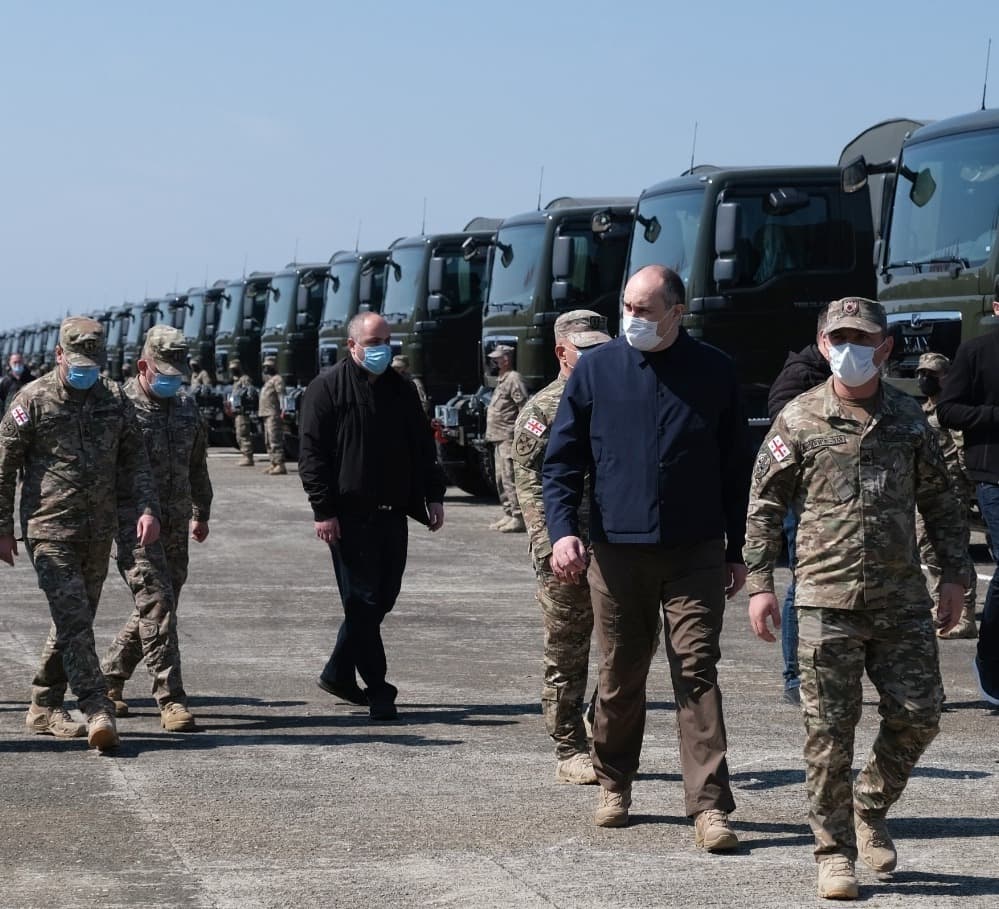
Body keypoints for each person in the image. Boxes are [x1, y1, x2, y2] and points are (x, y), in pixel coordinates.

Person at [744, 297, 969, 900]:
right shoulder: (798, 418)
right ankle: (834, 852)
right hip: (825, 599)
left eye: (864, 339)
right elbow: (764, 507)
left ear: (886, 347)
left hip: (900, 599)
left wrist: (953, 576)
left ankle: (869, 804)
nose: (852, 349)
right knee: (828, 733)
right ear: (822, 346)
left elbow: (942, 501)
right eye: (840, 338)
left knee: (921, 713)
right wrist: (762, 585)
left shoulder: (909, 419)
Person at [543, 265, 750, 849]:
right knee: (620, 675)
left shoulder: (714, 371)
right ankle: (613, 783)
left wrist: (741, 553)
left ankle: (709, 807)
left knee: (696, 671)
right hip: (617, 553)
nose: (632, 319)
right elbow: (561, 463)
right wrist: (564, 532)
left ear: (677, 312)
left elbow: (738, 471)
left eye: (645, 310)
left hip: (695, 552)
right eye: (627, 307)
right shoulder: (596, 372)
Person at [0, 316, 161, 752]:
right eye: (78, 362)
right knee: (74, 619)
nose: (86, 370)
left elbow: (135, 460)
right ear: (58, 356)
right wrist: (2, 528)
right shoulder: (31, 399)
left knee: (74, 622)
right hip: (49, 529)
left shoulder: (113, 399)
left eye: (93, 362)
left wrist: (146, 508)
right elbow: (4, 466)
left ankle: (43, 703)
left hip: (98, 530)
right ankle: (96, 708)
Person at [298, 312, 446, 721]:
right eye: (373, 341)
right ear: (352, 346)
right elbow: (311, 456)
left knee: (382, 599)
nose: (382, 348)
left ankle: (337, 672)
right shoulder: (326, 389)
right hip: (348, 516)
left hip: (393, 513)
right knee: (362, 601)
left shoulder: (402, 390)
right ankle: (379, 688)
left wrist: (434, 495)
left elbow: (423, 447)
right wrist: (323, 510)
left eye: (387, 340)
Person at [512, 310, 611, 785]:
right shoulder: (543, 410)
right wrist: (550, 542)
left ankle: (599, 719)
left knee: (633, 644)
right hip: (565, 549)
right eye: (584, 350)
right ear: (561, 352)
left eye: (601, 348)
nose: (595, 357)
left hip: (618, 545)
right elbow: (527, 482)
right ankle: (569, 745)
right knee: (567, 649)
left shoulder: (616, 396)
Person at [101, 326, 213, 732]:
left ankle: (110, 676)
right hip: (133, 524)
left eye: (178, 373)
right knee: (158, 604)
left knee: (158, 605)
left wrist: (202, 511)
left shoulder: (185, 406)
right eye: (164, 372)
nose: (172, 380)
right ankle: (170, 699)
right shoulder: (118, 407)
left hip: (176, 522)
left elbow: (197, 462)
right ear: (143, 366)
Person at [936, 279, 999, 705]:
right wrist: (994, 415)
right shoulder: (977, 352)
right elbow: (949, 409)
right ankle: (991, 662)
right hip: (993, 474)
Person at [766, 306, 832, 705]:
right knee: (800, 584)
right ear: (823, 339)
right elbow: (783, 431)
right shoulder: (801, 375)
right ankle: (794, 676)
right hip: (803, 497)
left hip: (840, 502)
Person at [915, 352, 977, 639]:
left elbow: (962, 449)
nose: (924, 378)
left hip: (954, 490)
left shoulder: (951, 410)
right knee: (928, 548)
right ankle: (942, 605)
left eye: (931, 374)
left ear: (945, 378)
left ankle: (965, 614)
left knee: (957, 549)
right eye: (921, 373)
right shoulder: (921, 411)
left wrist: (969, 485)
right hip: (926, 491)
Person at [485, 344, 528, 532]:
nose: (494, 362)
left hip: (508, 436)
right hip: (498, 436)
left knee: (510, 477)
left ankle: (518, 516)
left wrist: (521, 433)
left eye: (497, 358)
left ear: (506, 359)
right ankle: (509, 512)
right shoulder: (502, 379)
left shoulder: (513, 378)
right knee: (501, 478)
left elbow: (523, 405)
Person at [258, 356, 286, 475]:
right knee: (268, 440)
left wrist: (283, 410)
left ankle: (280, 464)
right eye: (265, 366)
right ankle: (273, 463)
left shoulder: (277, 379)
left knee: (275, 439)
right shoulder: (268, 381)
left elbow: (282, 396)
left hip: (273, 414)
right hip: (266, 414)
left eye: (269, 366)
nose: (266, 368)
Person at [227, 358, 256, 466]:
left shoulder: (244, 379)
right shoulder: (236, 380)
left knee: (243, 434)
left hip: (243, 412)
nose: (233, 371)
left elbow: (250, 393)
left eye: (235, 368)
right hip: (237, 412)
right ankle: (244, 455)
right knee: (239, 435)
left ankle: (248, 457)